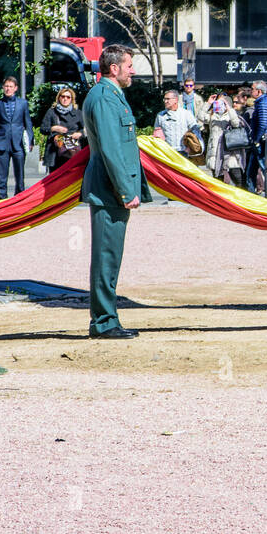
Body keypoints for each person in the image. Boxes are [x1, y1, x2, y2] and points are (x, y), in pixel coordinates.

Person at [82, 44, 152, 339]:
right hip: (110, 191)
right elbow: (111, 149)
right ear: (115, 68)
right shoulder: (104, 98)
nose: (133, 71)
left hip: (112, 190)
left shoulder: (110, 95)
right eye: (130, 65)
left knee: (110, 256)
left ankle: (107, 319)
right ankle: (104, 322)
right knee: (106, 257)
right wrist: (126, 190)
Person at [0, 76, 34, 199]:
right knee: (2, 176)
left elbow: (28, 123)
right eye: (6, 86)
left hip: (18, 143)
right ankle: (1, 200)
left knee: (20, 175)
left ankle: (19, 198)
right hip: (2, 143)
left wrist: (30, 140)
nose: (8, 89)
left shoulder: (23, 103)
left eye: (11, 86)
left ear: (16, 88)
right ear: (3, 88)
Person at [39, 87, 86, 173]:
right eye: (63, 96)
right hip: (55, 152)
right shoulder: (51, 112)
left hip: (72, 151)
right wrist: (53, 128)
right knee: (55, 181)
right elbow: (43, 129)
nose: (65, 99)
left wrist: (79, 134)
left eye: (68, 97)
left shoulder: (78, 113)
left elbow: (86, 129)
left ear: (72, 99)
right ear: (59, 97)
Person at [204, 92, 247, 186]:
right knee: (218, 182)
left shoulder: (231, 115)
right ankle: (219, 200)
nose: (220, 105)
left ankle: (239, 199)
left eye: (222, 102)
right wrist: (208, 103)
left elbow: (236, 123)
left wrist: (228, 107)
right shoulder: (212, 116)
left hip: (230, 151)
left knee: (237, 179)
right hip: (215, 152)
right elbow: (201, 118)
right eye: (218, 102)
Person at [247, 79, 267, 191]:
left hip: (261, 141)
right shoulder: (262, 102)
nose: (250, 91)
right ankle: (250, 194)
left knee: (262, 168)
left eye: (252, 89)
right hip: (262, 140)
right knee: (252, 170)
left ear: (259, 91)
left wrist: (256, 139)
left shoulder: (262, 103)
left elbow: (263, 124)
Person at [152, 89, 200, 154]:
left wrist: (189, 148)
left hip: (183, 151)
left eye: (168, 99)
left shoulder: (186, 114)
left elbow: (195, 131)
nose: (165, 101)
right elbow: (156, 133)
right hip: (167, 152)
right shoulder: (160, 116)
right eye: (164, 99)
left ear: (176, 100)